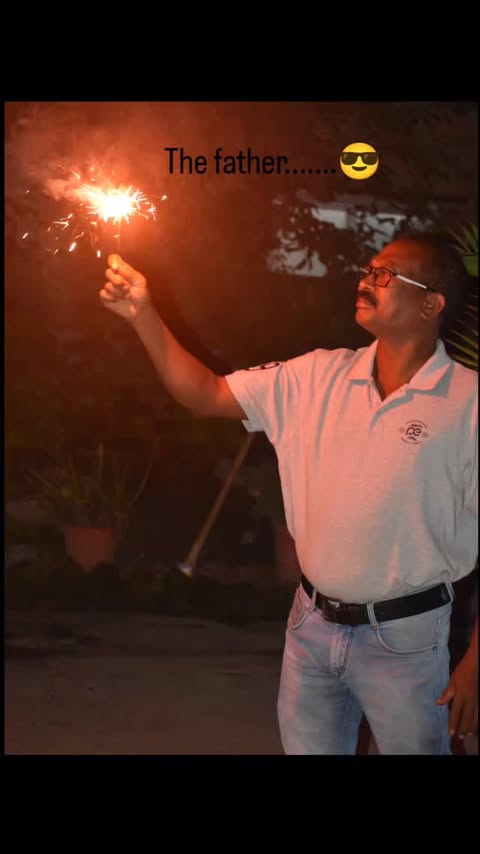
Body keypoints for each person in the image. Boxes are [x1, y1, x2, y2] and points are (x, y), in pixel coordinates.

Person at [99, 232, 478, 755]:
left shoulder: (468, 404)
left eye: (386, 275)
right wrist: (143, 314)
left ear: (431, 303)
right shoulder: (315, 375)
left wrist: (474, 663)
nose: (366, 281)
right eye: (368, 270)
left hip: (406, 640)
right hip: (311, 627)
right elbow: (205, 393)